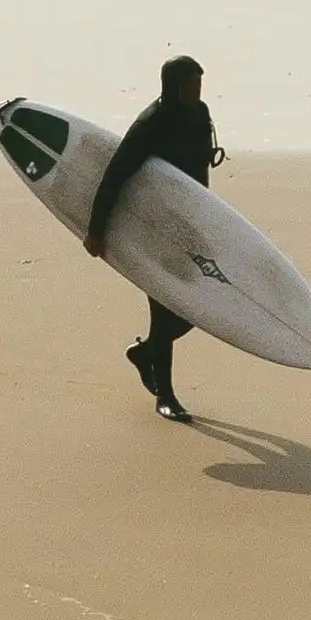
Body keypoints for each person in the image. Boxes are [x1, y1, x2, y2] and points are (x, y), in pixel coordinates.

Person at [85, 55, 219, 417]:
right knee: (165, 310)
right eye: (191, 84)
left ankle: (145, 353)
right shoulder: (151, 124)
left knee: (196, 308)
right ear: (173, 87)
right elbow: (115, 174)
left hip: (189, 225)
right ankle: (166, 397)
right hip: (153, 227)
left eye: (199, 84)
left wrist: (208, 220)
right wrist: (96, 231)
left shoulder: (200, 114)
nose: (197, 90)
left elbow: (200, 174)